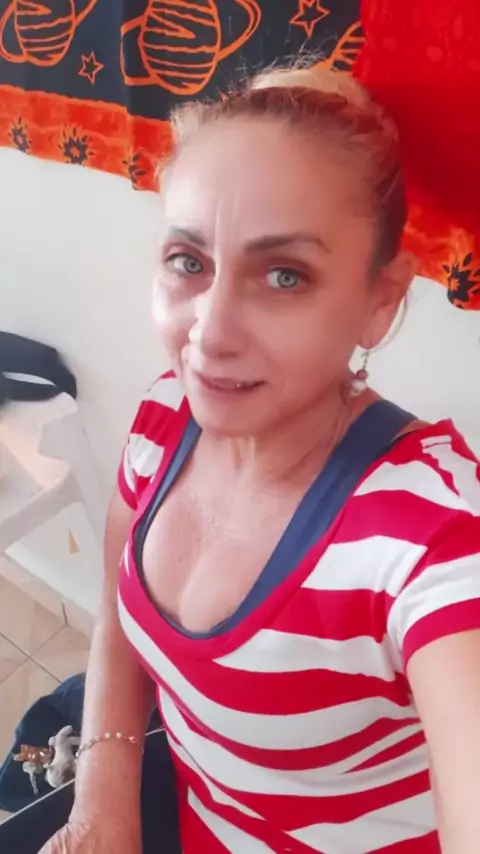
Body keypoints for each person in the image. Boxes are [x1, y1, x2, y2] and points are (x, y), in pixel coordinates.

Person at [40, 65, 480, 854]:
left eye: (285, 276)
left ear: (380, 301)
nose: (209, 335)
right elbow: (115, 606)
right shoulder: (165, 416)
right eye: (189, 260)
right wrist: (104, 804)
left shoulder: (430, 537)